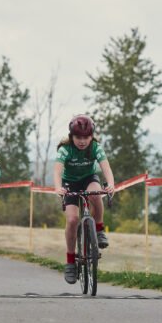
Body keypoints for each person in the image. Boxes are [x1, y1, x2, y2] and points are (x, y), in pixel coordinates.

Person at [53, 114, 116, 284]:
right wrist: (58, 187)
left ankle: (99, 229)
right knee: (72, 220)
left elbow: (106, 168)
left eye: (86, 137)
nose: (82, 141)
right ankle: (70, 261)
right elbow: (57, 171)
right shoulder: (65, 149)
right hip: (69, 183)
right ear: (71, 136)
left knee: (96, 194)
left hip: (89, 178)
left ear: (91, 136)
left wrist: (110, 184)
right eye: (78, 137)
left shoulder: (95, 147)